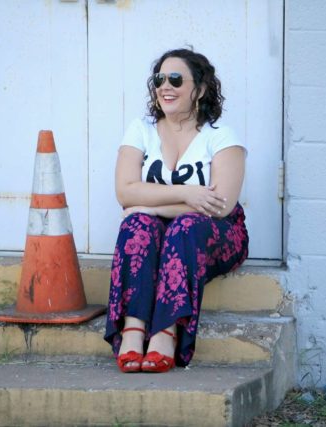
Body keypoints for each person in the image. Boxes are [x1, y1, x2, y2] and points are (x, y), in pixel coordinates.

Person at [104, 48, 249, 373]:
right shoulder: (140, 129)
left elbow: (220, 205)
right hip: (163, 230)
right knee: (138, 225)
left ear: (199, 88)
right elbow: (125, 191)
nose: (164, 87)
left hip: (215, 233)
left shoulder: (221, 136)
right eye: (159, 80)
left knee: (182, 226)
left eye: (175, 79)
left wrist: (148, 201)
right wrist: (187, 194)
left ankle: (165, 335)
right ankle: (133, 330)